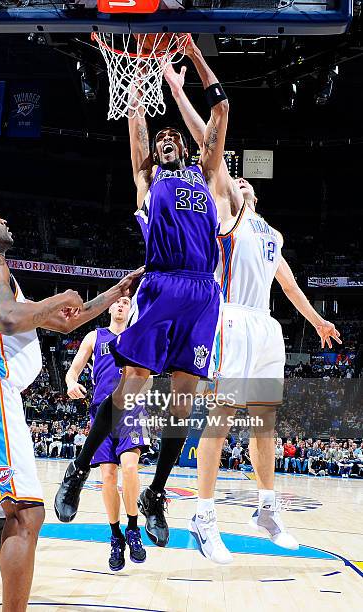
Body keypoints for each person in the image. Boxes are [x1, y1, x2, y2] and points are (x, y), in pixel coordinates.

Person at [163, 58, 342, 563]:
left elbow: (287, 284)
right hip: (231, 317)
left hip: (267, 327)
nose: (237, 183)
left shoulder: (270, 233)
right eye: (231, 181)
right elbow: (209, 145)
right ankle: (203, 515)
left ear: (256, 194)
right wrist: (178, 88)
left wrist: (316, 320)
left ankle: (266, 508)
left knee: (264, 421)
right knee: (220, 417)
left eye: (245, 184)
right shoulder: (228, 214)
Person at [55, 36, 229, 550]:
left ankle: (155, 494)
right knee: (129, 390)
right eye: (162, 138)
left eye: (176, 136)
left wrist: (193, 56)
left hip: (203, 293)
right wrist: (136, 85)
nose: (168, 140)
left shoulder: (209, 175)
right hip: (160, 282)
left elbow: (220, 110)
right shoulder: (146, 182)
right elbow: (137, 124)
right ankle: (81, 466)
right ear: (156, 151)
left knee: (183, 402)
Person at [0, 206, 143, 612]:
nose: (5, 218)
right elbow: (8, 320)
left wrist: (117, 291)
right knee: (26, 515)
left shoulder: (1, 278)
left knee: (4, 514)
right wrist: (60, 296)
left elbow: (67, 321)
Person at [64, 296, 147, 570]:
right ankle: (115, 536)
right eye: (118, 302)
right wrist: (70, 383)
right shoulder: (94, 336)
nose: (122, 305)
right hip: (100, 413)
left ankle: (133, 529)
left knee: (130, 467)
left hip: (132, 409)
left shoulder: (139, 335)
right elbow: (73, 370)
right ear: (111, 308)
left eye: (126, 302)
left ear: (131, 310)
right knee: (108, 477)